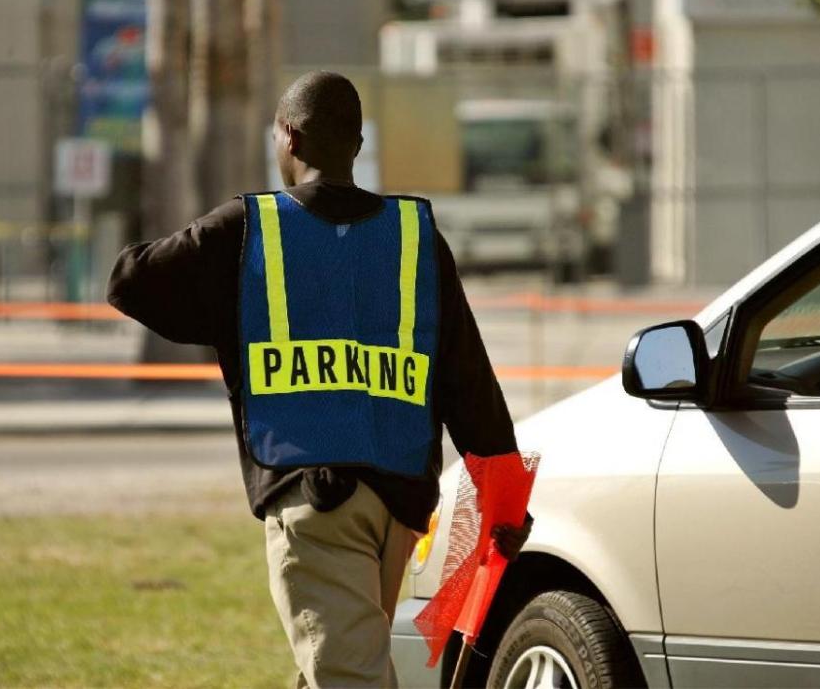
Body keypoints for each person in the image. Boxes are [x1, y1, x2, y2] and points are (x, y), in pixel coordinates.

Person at [107, 71, 531, 688]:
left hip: (317, 500)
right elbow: (470, 382)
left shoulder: (251, 231)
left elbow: (130, 279)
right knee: (333, 668)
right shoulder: (416, 239)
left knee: (345, 676)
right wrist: (506, 500)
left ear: (288, 137)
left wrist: (232, 308)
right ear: (357, 146)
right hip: (400, 508)